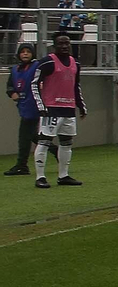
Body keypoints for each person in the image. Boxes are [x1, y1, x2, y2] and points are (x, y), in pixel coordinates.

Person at [30, 33, 87, 188]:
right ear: (54, 45)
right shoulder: (47, 62)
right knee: (44, 141)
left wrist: (81, 105)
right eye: (60, 43)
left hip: (68, 109)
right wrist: (41, 106)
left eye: (67, 43)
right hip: (51, 109)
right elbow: (34, 84)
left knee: (67, 142)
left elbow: (76, 86)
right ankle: (40, 177)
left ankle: (64, 175)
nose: (64, 46)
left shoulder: (75, 63)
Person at [6, 42, 54, 175]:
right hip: (23, 105)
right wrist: (12, 93)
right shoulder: (15, 69)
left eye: (28, 51)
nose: (25, 54)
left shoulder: (37, 66)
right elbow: (10, 86)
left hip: (35, 105)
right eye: (23, 52)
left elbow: (46, 78)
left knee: (24, 136)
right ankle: (55, 150)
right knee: (32, 135)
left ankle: (22, 165)